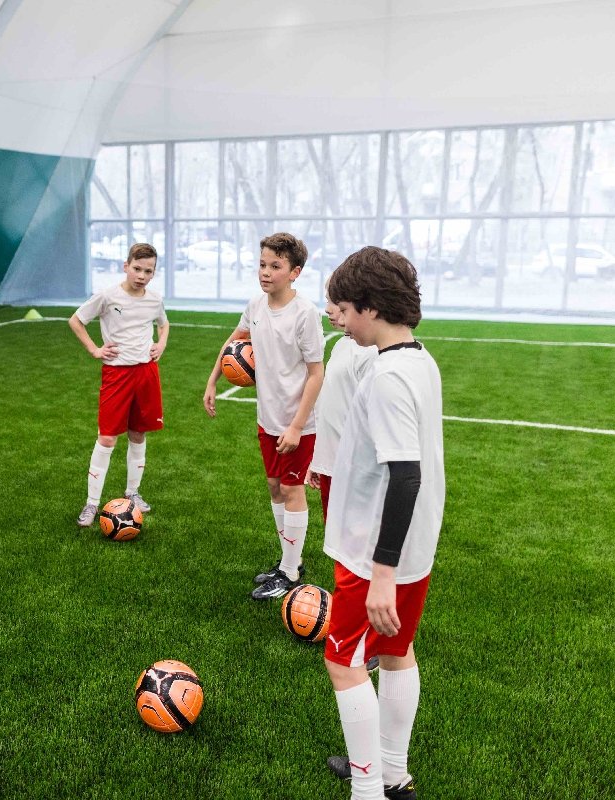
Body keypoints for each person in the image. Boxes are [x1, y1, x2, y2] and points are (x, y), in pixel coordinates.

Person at [320, 246, 444, 800]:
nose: (340, 321)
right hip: (414, 544)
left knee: (343, 661)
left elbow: (406, 477)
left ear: (370, 308)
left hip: (375, 552)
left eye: (344, 310)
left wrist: (382, 573)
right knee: (397, 651)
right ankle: (394, 773)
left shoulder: (390, 377)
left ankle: (367, 791)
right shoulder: (420, 358)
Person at [203, 232, 324, 601]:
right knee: (274, 487)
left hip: (298, 422)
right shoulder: (256, 305)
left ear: (295, 272)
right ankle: (289, 560)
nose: (266, 272)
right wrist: (212, 382)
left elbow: (317, 373)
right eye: (262, 264)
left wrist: (297, 426)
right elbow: (234, 341)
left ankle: (289, 572)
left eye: (276, 266)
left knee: (291, 489)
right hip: (267, 417)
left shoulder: (305, 314)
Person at [69, 242, 169, 527]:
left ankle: (133, 493)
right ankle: (91, 504)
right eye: (137, 268)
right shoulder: (107, 296)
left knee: (138, 433)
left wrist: (161, 343)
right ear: (126, 266)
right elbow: (76, 321)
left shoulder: (154, 299)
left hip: (146, 374)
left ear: (153, 273)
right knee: (108, 438)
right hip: (117, 374)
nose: (141, 275)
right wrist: (94, 350)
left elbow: (164, 324)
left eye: (148, 271)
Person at [307, 300, 378, 521]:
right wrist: (318, 460)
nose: (328, 308)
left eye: (335, 302)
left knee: (353, 540)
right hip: (331, 463)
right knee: (335, 534)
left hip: (353, 467)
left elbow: (373, 419)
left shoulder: (370, 353)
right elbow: (328, 408)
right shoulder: (341, 345)